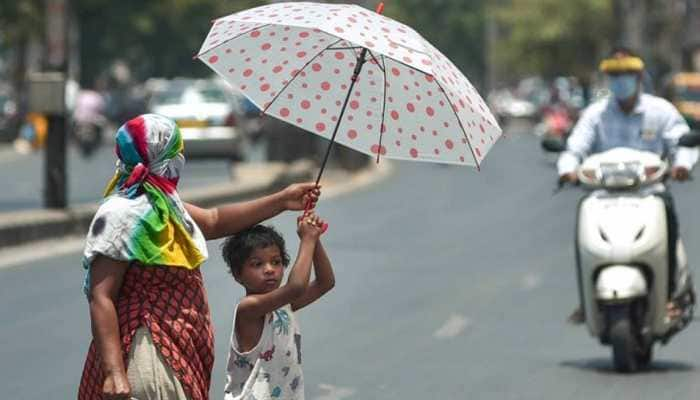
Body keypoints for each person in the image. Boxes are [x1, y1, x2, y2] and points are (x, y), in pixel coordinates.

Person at [78, 113, 321, 400]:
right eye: (175, 151)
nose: (180, 158)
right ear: (159, 155)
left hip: (178, 350)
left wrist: (282, 201)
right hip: (146, 350)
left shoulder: (166, 205)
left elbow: (215, 220)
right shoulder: (121, 213)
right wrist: (114, 372)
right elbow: (101, 296)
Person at [558, 47, 698, 324]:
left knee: (667, 222)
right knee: (581, 230)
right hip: (602, 196)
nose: (621, 80)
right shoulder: (596, 114)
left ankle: (670, 296)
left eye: (627, 74)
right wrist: (567, 170)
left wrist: (682, 165)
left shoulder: (661, 111)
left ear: (639, 76)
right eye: (615, 75)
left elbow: (682, 141)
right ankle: (587, 300)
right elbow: (575, 147)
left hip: (650, 193)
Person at [220, 216, 334, 399]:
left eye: (276, 261)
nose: (269, 269)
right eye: (257, 264)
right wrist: (307, 239)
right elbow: (296, 286)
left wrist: (315, 239)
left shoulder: (283, 305)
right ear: (237, 274)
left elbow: (325, 282)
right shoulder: (248, 308)